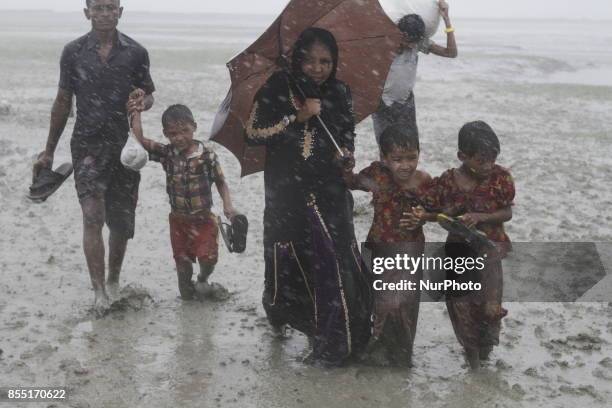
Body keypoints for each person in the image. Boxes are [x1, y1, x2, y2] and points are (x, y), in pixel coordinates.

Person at [245, 27, 371, 365]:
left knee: (334, 260)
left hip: (329, 192)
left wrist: (345, 155)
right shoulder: (277, 87)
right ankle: (285, 315)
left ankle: (334, 337)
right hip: (286, 193)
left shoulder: (340, 91)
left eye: (326, 61)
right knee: (289, 259)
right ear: (298, 58)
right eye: (311, 60)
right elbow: (253, 133)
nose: (318, 68)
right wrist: (295, 117)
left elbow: (346, 134)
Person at [31, 0, 155, 314]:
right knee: (91, 216)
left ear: (120, 11)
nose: (104, 13)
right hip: (86, 146)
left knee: (120, 221)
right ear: (87, 13)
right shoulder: (73, 52)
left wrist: (143, 100)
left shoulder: (136, 52)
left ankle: (114, 279)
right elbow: (62, 101)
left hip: (125, 148)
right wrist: (49, 150)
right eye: (98, 7)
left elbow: (149, 94)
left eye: (110, 7)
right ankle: (99, 291)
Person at [407, 121, 514, 369]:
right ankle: (472, 357)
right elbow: (437, 212)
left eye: (492, 158)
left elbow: (507, 212)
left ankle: (485, 348)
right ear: (462, 156)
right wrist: (429, 216)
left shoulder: (501, 178)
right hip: (458, 252)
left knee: (489, 304)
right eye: (480, 160)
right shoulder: (447, 181)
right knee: (462, 305)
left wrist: (480, 217)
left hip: (489, 252)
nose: (488, 165)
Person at [130, 105, 238, 301]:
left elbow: (221, 182)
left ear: (194, 127)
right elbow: (140, 141)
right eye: (173, 133)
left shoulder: (207, 155)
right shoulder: (167, 154)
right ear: (165, 134)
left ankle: (203, 278)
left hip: (204, 219)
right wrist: (136, 112)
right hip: (179, 222)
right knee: (182, 266)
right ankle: (188, 304)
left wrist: (228, 206)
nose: (179, 137)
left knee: (208, 258)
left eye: (184, 131)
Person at [343, 124, 430, 366]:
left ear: (419, 154)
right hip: (378, 246)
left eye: (412, 158)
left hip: (410, 249)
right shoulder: (377, 175)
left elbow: (438, 208)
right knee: (381, 301)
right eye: (397, 159)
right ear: (384, 158)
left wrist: (424, 215)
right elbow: (352, 183)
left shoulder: (423, 181)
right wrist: (347, 168)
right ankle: (379, 345)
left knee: (405, 302)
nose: (406, 165)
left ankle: (402, 353)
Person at [373, 0, 457, 144]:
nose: (409, 45)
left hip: (406, 103)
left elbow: (451, 53)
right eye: (406, 40)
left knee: (410, 145)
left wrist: (447, 20)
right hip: (382, 103)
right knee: (385, 146)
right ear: (399, 33)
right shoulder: (383, 43)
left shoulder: (418, 43)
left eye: (413, 42)